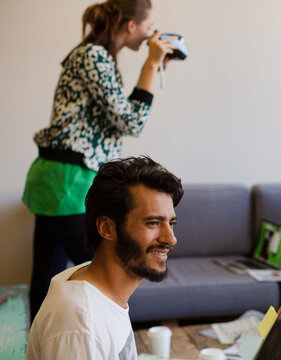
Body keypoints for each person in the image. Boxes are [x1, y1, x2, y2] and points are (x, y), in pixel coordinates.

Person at [22, 0, 180, 320]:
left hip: (60, 178)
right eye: (148, 27)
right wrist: (150, 66)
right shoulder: (94, 56)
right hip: (67, 181)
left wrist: (152, 67)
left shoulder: (98, 57)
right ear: (131, 26)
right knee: (106, 277)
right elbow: (131, 122)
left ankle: (36, 348)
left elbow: (120, 117)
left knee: (46, 277)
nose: (151, 35)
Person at [26, 156, 183, 359]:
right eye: (153, 223)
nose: (171, 239)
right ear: (107, 228)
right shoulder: (81, 325)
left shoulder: (97, 287)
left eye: (171, 223)